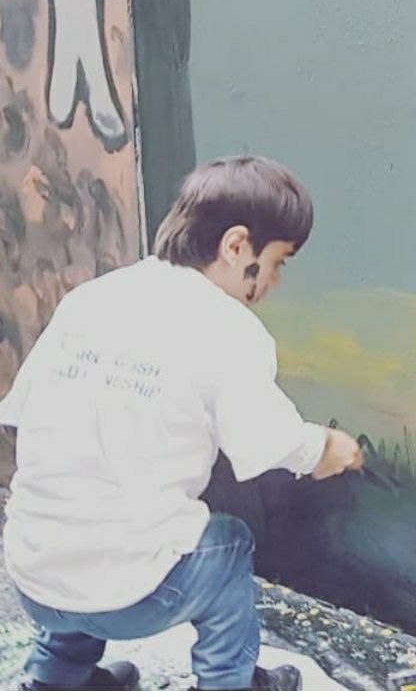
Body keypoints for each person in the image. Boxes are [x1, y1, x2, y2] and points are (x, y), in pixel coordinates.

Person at [0, 156, 364, 690]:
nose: (276, 281)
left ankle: (54, 679)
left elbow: (20, 412)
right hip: (130, 599)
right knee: (228, 543)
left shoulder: (92, 299)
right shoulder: (228, 328)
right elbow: (271, 443)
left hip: (31, 576)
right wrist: (328, 448)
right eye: (278, 262)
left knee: (81, 522)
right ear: (237, 246)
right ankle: (229, 683)